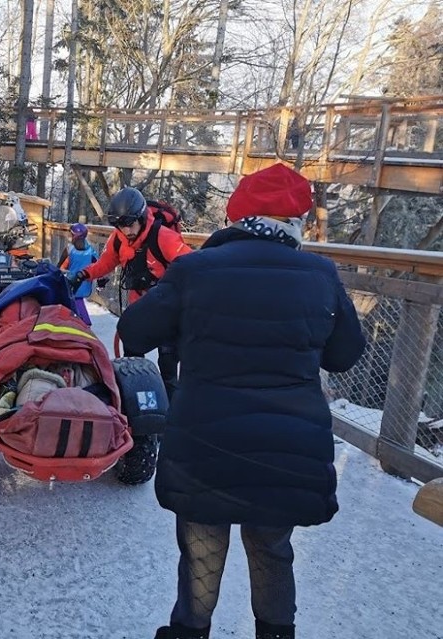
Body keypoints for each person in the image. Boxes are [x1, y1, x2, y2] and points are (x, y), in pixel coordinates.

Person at [116, 164, 366, 639]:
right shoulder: (320, 274)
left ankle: (191, 631)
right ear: (296, 222)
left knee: (202, 548)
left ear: (236, 217)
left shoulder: (195, 269)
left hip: (206, 445)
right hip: (286, 449)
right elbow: (344, 355)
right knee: (272, 547)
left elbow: (134, 330)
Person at [70, 187, 192, 390]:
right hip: (139, 306)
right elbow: (105, 263)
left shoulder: (164, 237)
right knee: (131, 358)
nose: (126, 231)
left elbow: (191, 265)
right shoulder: (119, 238)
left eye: (129, 224)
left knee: (168, 364)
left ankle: (170, 411)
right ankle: (134, 399)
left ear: (142, 217)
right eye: (120, 225)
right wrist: (84, 274)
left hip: (168, 309)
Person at [58, 223, 99, 325]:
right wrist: (100, 279)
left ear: (74, 236)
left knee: (76, 300)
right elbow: (98, 266)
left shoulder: (70, 249)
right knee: (77, 300)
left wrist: (59, 270)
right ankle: (78, 321)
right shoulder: (91, 251)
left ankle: (85, 322)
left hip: (72, 281)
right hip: (85, 282)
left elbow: (60, 265)